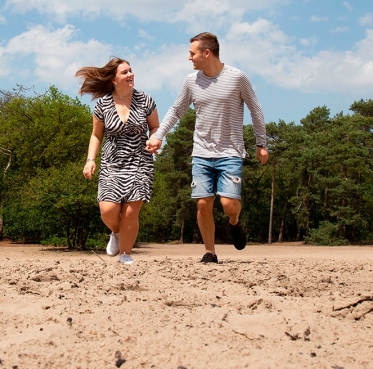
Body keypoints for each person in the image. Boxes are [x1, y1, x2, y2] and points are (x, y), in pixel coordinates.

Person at [146, 32, 268, 263]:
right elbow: (176, 110)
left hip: (230, 151)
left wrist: (261, 143)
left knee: (229, 204)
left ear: (207, 53)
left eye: (192, 53)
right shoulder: (191, 81)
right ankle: (210, 252)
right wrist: (159, 135)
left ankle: (234, 223)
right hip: (201, 152)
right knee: (203, 202)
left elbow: (256, 109)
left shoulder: (237, 77)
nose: (189, 58)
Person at [76, 57, 159, 265]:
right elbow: (96, 135)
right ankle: (116, 231)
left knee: (131, 212)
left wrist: (154, 139)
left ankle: (125, 255)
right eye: (125, 72)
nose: (130, 75)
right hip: (112, 163)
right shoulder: (102, 105)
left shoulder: (145, 100)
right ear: (114, 79)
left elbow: (155, 127)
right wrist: (90, 160)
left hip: (140, 161)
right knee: (108, 210)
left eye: (131, 71)